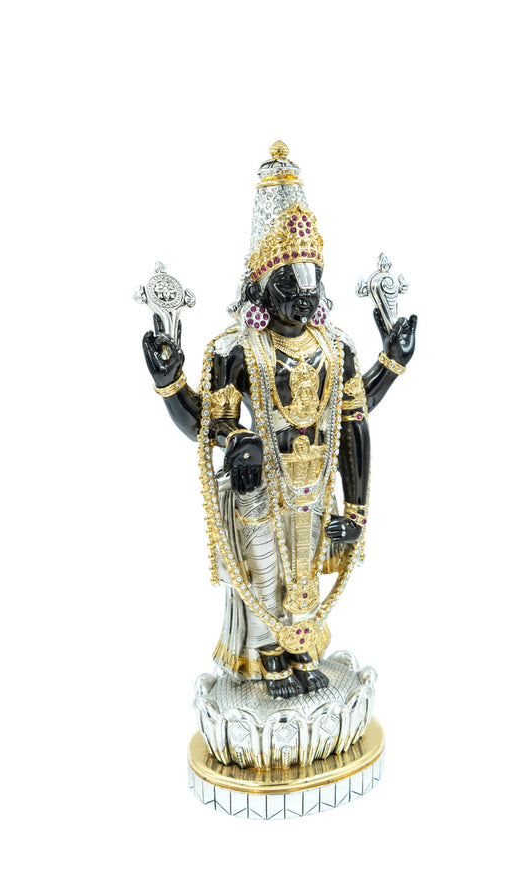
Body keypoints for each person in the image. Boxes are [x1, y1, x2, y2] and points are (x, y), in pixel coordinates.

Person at [142, 142, 417, 699]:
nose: (302, 298)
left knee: (307, 567)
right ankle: (268, 653)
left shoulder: (334, 346)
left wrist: (391, 364)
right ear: (260, 286)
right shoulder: (237, 350)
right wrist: (172, 387)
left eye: (311, 282)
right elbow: (208, 424)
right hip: (260, 484)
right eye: (288, 284)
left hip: (314, 487)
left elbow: (354, 418)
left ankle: (301, 648)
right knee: (265, 570)